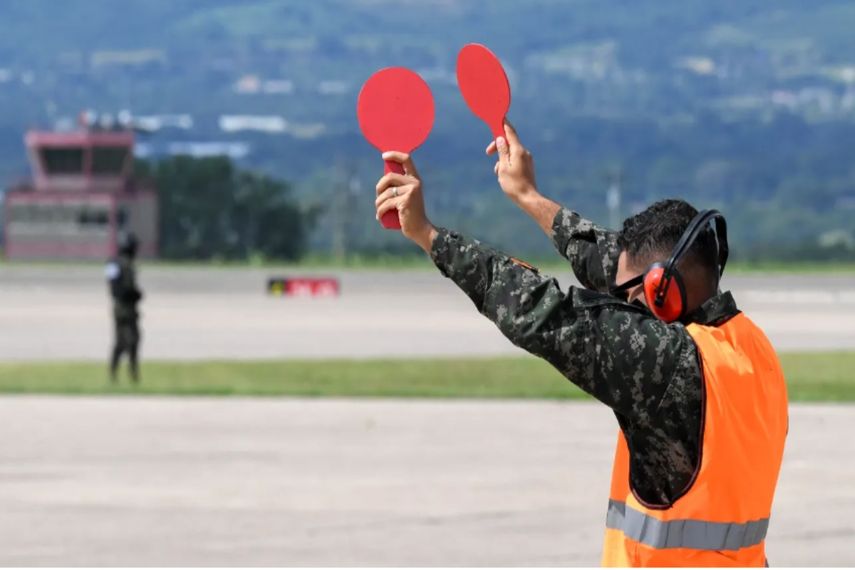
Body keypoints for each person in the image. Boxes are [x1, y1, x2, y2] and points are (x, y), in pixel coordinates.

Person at [373, 122, 788, 567]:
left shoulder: (670, 364)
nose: (621, 303)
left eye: (630, 299)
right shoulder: (752, 348)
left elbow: (541, 309)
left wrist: (427, 235)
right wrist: (528, 196)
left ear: (662, 292)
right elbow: (615, 265)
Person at [106, 232, 144, 384]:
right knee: (124, 342)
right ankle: (117, 375)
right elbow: (115, 288)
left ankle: (129, 375)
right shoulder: (116, 264)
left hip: (127, 309)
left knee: (130, 342)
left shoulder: (119, 264)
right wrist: (132, 294)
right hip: (123, 309)